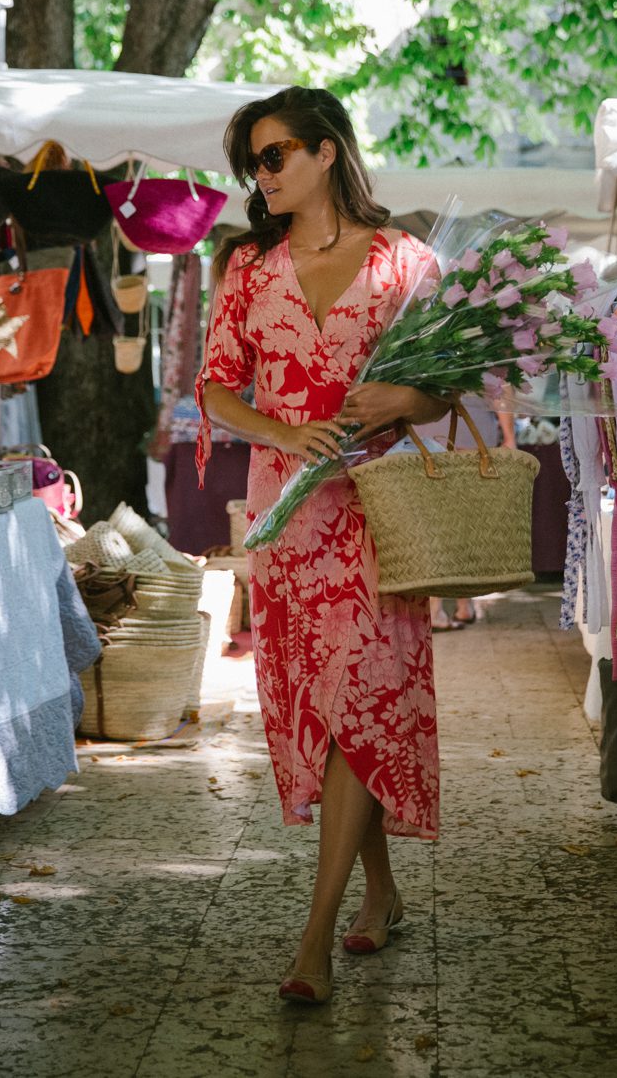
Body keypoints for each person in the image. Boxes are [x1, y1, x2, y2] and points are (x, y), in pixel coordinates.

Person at [196, 86, 447, 1006]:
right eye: (251, 164)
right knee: (337, 711)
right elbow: (214, 389)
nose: (258, 179)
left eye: (272, 158)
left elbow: (441, 390)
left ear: (326, 153)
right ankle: (380, 888)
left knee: (365, 698)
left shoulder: (404, 263)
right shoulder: (247, 271)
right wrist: (280, 429)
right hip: (289, 521)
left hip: (379, 513)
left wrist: (400, 402)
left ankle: (314, 940)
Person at [427, 401, 517, 629]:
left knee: (433, 520)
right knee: (466, 518)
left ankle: (434, 609)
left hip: (428, 426)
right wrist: (509, 436)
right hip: (473, 426)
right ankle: (464, 606)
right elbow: (504, 386)